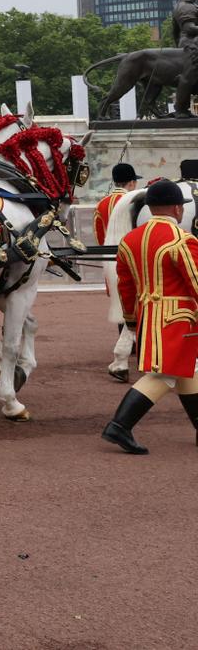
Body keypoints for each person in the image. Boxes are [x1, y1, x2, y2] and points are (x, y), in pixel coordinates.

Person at [100, 181, 198, 455]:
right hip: (179, 317)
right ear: (177, 208)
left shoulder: (131, 241)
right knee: (163, 375)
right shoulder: (182, 239)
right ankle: (120, 425)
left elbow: (126, 286)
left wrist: (131, 320)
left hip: (148, 315)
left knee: (188, 370)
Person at [98, 163, 142, 382]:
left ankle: (127, 347)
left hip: (111, 260)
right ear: (132, 182)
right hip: (132, 256)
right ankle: (139, 348)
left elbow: (100, 235)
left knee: (120, 300)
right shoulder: (135, 200)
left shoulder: (103, 202)